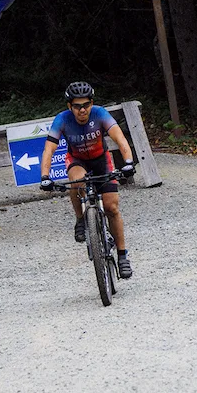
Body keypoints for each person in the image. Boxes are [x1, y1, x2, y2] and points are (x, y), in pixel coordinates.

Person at [39, 82, 137, 278]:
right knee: (77, 181)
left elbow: (120, 139)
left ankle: (122, 256)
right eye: (77, 106)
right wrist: (45, 176)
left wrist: (128, 162)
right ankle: (81, 220)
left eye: (86, 105)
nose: (82, 110)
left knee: (112, 208)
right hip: (77, 160)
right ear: (69, 106)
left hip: (101, 160)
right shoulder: (62, 119)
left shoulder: (100, 114)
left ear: (92, 103)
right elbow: (49, 149)